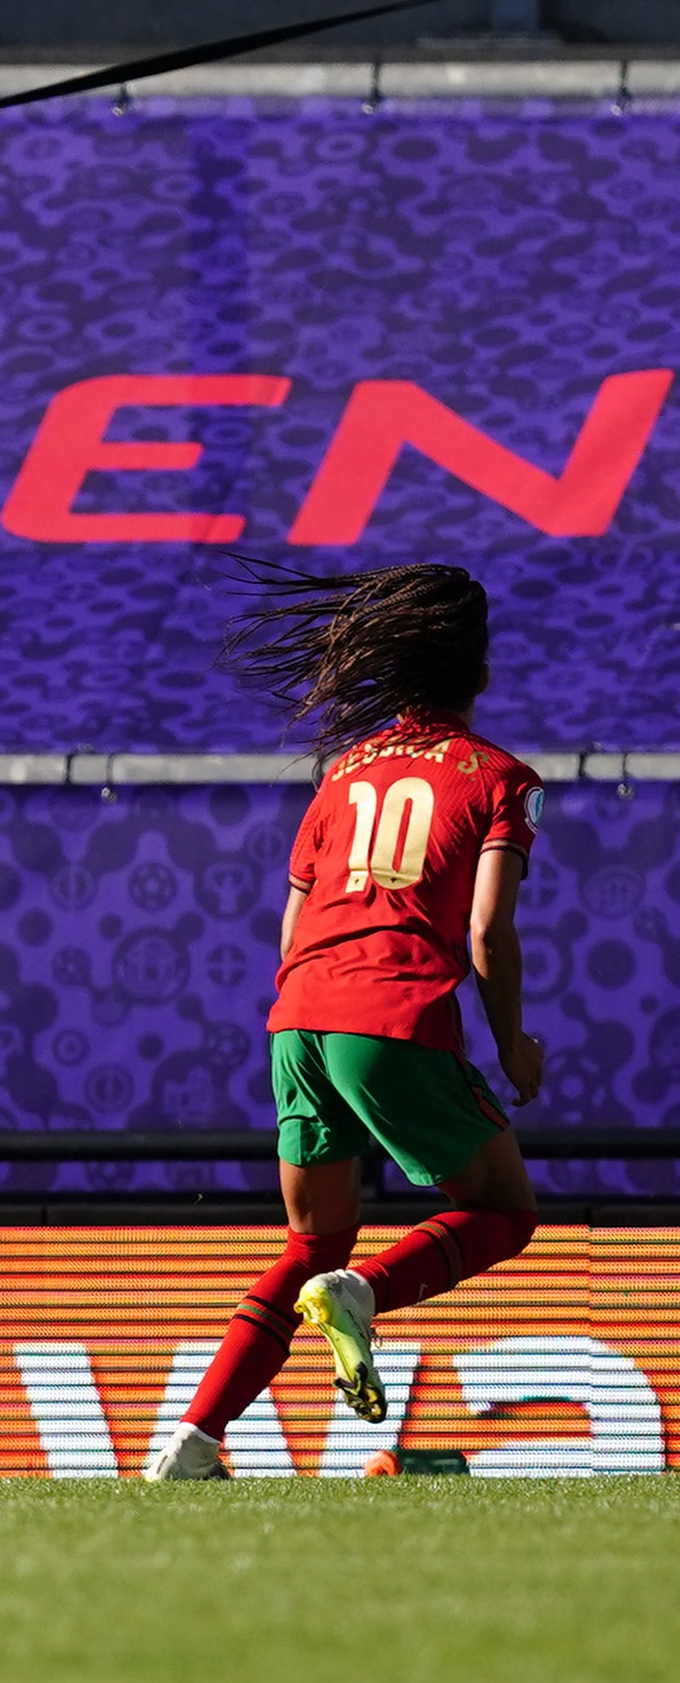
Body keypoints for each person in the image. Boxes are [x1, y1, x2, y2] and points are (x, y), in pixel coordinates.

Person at [146, 562, 547, 1481]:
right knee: (501, 1210)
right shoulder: (497, 778)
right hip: (389, 1010)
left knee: (310, 1241)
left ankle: (194, 1439)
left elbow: (291, 924)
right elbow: (486, 930)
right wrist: (511, 1045)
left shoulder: (341, 771)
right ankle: (362, 1293)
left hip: (297, 1017)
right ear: (477, 674)